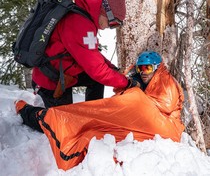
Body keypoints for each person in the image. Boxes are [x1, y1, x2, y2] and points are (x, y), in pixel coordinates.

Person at [15, 51, 185, 170]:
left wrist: (134, 95)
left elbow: (163, 105)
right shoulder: (140, 82)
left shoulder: (166, 83)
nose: (143, 72)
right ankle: (33, 113)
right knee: (85, 119)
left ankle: (38, 114)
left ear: (157, 68)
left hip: (163, 127)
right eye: (141, 68)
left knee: (82, 120)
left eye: (147, 68)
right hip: (143, 120)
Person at [32, 0, 137, 108]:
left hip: (66, 74)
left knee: (95, 81)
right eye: (113, 23)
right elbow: (97, 70)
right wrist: (126, 82)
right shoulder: (79, 23)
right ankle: (24, 110)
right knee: (61, 124)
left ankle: (92, 112)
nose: (110, 27)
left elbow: (91, 53)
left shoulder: (86, 19)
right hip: (50, 81)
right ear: (105, 11)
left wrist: (112, 68)